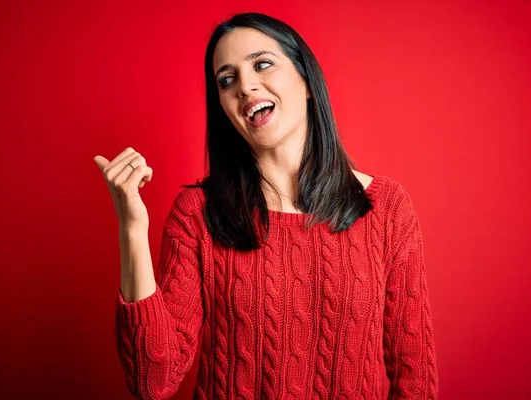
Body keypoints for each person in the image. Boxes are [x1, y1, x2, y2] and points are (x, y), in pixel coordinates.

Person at [94, 12, 439, 400]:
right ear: (223, 106)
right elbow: (152, 383)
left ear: (306, 80)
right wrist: (131, 228)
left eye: (262, 64)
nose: (245, 86)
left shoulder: (387, 207)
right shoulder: (197, 213)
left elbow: (416, 381)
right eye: (227, 80)